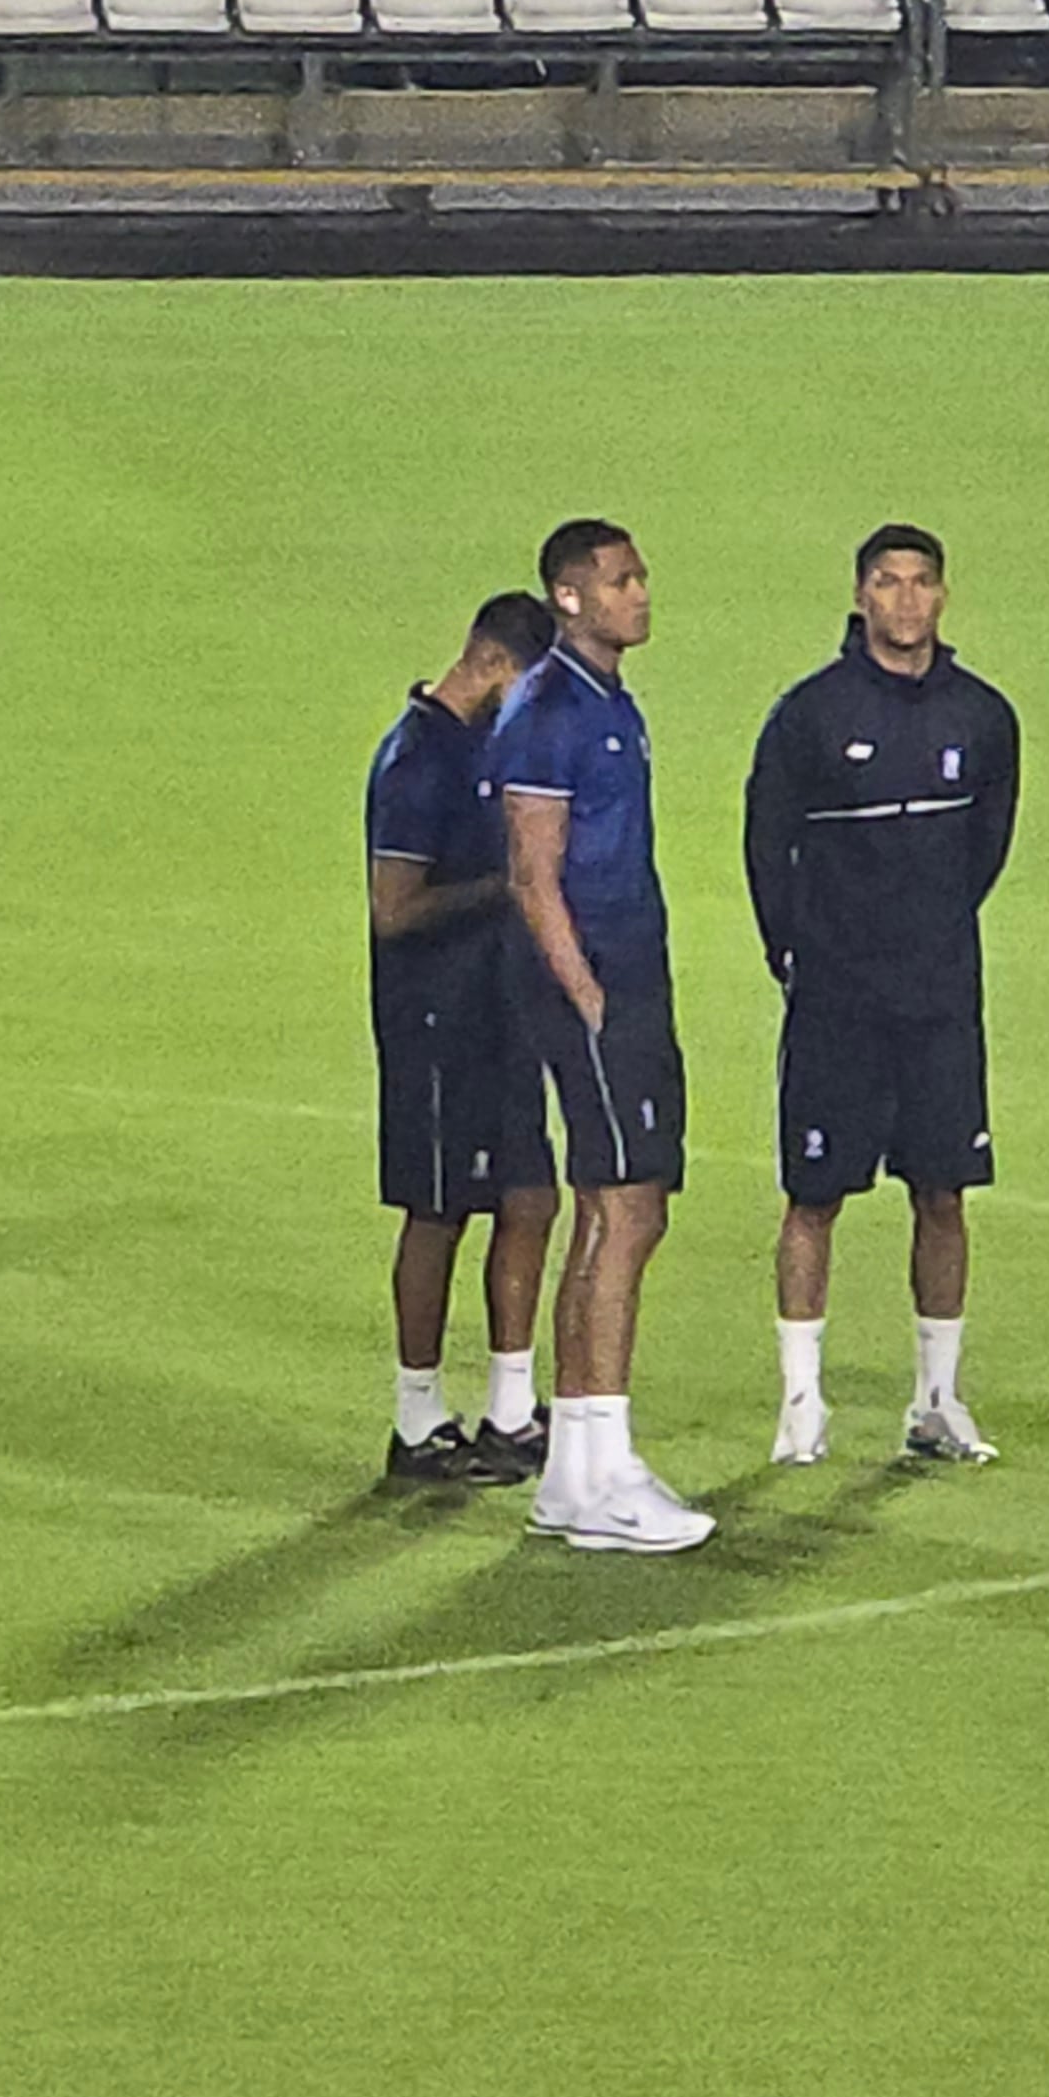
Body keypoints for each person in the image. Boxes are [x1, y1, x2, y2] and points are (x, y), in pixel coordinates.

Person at [742, 522, 1022, 1467]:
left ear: (944, 596)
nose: (905, 601)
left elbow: (986, 849)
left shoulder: (984, 718)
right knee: (814, 1195)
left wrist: (928, 936)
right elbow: (765, 847)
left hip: (941, 999)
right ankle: (801, 1405)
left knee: (943, 1193)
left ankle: (936, 1402)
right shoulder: (809, 716)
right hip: (837, 1001)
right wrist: (800, 955)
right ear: (860, 596)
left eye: (921, 584)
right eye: (887, 584)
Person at [489, 518, 710, 1554]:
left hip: (622, 979)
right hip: (598, 985)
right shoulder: (546, 711)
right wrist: (585, 992)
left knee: (613, 1211)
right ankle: (606, 1472)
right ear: (569, 598)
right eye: (621, 580)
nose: (641, 593)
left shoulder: (603, 701)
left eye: (641, 574)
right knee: (627, 1212)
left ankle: (576, 1472)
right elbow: (533, 871)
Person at [365, 589, 562, 1484]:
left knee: (530, 1196)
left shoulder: (490, 745)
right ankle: (417, 1423)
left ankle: (512, 1410)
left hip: (504, 1007)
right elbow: (393, 910)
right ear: (491, 663)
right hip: (435, 1019)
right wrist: (511, 887)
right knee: (438, 1210)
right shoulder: (416, 761)